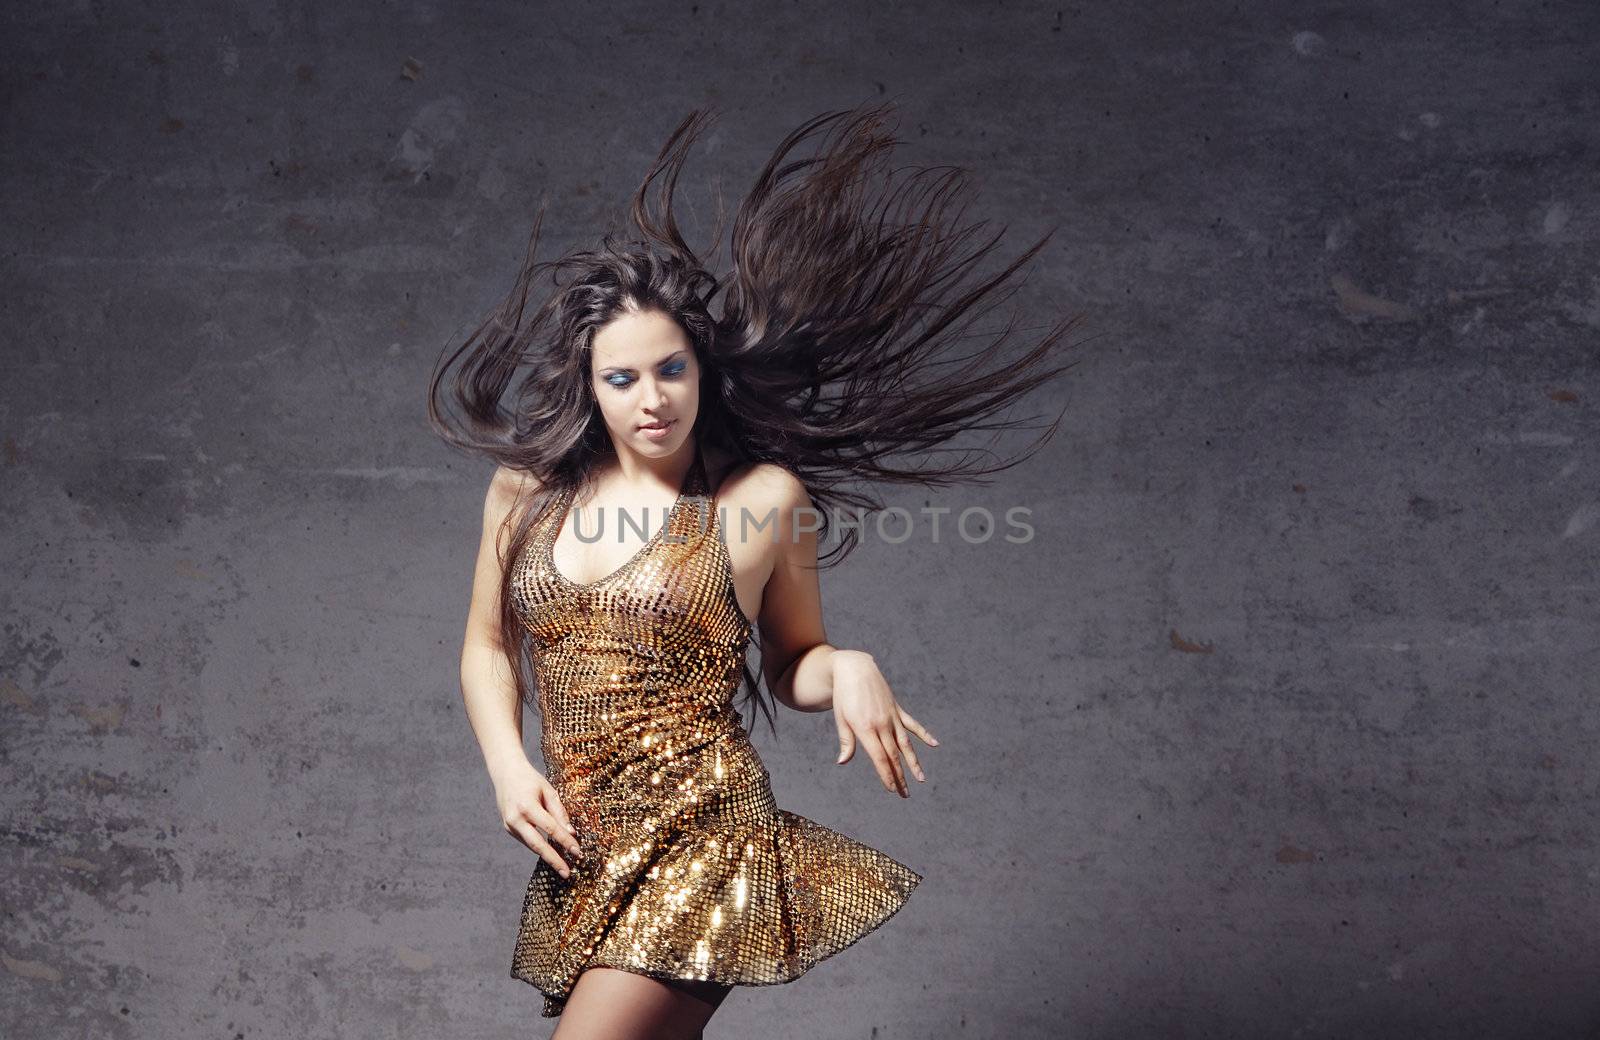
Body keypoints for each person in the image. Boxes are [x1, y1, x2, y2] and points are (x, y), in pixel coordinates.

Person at [428, 102, 1084, 1039]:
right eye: (622, 380)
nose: (652, 400)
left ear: (702, 370)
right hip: (590, 844)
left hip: (707, 831)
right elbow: (487, 647)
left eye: (671, 371)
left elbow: (792, 662)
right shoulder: (524, 490)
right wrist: (504, 764)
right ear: (588, 384)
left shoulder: (764, 499)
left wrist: (846, 663)